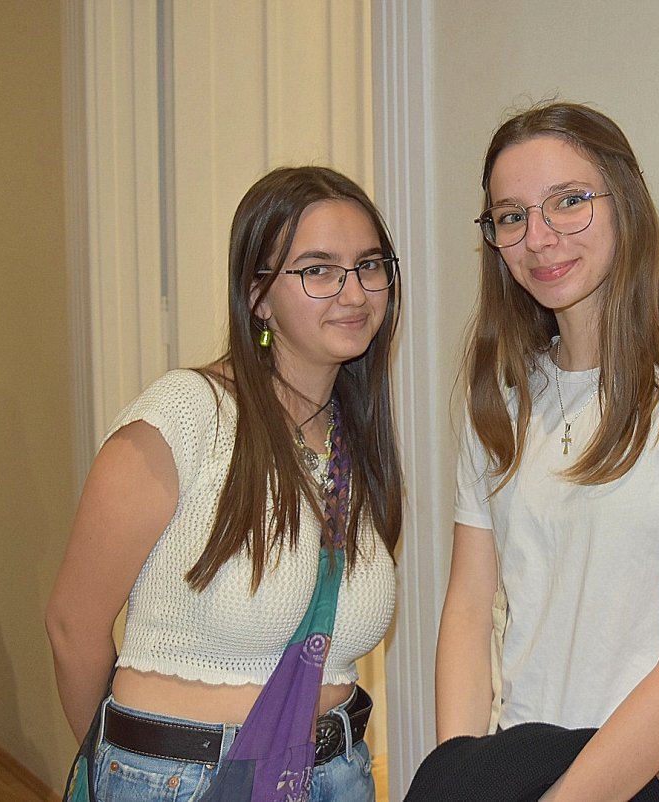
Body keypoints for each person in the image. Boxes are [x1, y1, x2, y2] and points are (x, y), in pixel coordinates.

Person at [435, 102, 659, 802]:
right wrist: (461, 774)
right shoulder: (501, 401)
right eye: (511, 216)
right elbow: (469, 611)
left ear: (624, 204)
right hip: (523, 760)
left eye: (569, 201)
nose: (539, 237)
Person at [47, 166, 403, 802]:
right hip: (184, 780)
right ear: (258, 296)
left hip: (339, 772)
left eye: (369, 265)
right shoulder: (188, 413)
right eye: (318, 269)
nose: (353, 292)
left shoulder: (354, 440)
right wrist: (124, 773)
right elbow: (73, 626)